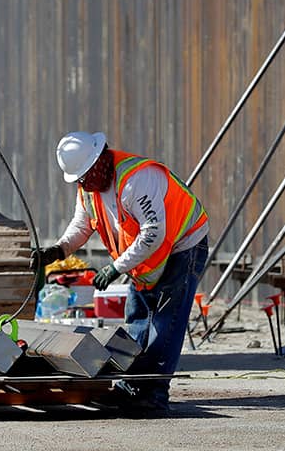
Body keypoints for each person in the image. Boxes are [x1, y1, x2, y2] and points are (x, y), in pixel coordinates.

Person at [32, 131, 209, 413]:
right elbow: (82, 225)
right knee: (138, 318)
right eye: (80, 180)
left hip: (183, 246)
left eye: (86, 176)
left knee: (165, 323)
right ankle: (131, 386)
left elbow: (154, 231)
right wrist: (59, 250)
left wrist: (116, 267)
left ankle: (154, 394)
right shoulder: (88, 189)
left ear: (100, 160)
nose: (85, 184)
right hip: (145, 257)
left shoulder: (137, 180)